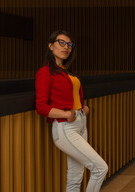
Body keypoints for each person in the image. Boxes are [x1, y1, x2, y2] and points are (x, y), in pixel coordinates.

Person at [35, 30, 108, 192]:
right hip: (65, 127)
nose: (66, 47)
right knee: (100, 168)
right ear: (50, 46)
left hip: (80, 123)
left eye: (69, 44)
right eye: (61, 42)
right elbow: (41, 106)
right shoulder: (45, 73)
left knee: (76, 177)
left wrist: (83, 109)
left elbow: (72, 97)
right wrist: (66, 114)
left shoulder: (67, 72)